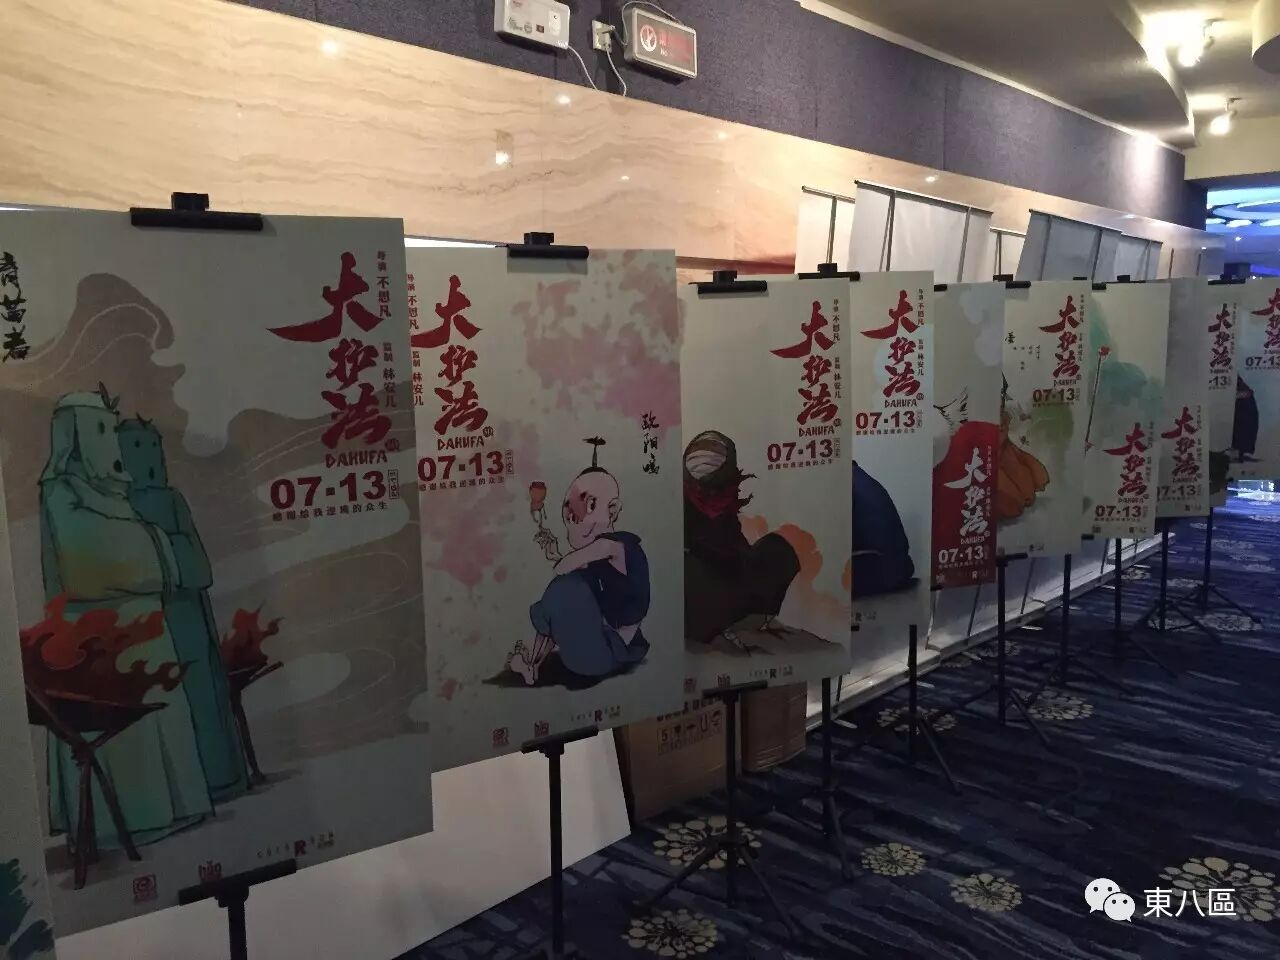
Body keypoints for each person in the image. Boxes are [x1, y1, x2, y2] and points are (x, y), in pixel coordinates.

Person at [40, 386, 212, 850]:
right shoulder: (60, 491)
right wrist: (156, 544)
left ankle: (176, 808)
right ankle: (128, 823)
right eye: (98, 428)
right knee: (123, 738)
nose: (107, 439)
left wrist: (150, 542)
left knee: (161, 718)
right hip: (99, 638)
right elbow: (84, 563)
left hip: (146, 629)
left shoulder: (114, 491)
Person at [119, 416, 249, 802]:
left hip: (188, 612)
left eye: (152, 446)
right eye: (136, 447)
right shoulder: (119, 505)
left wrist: (161, 551)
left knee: (205, 694)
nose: (148, 457)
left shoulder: (171, 499)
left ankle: (222, 778)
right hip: (151, 620)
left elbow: (198, 566)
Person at [509, 439, 651, 685]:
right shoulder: (600, 557)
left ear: (613, 510)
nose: (576, 518)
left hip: (609, 650)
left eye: (588, 505)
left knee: (566, 587)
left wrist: (561, 560)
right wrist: (555, 553)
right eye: (570, 512)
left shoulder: (616, 545)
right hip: (599, 645)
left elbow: (565, 567)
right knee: (568, 587)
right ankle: (532, 664)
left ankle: (532, 662)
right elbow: (571, 565)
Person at [682, 430, 799, 648]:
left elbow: (734, 546)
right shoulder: (686, 504)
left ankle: (753, 619)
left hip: (728, 577)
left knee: (777, 548)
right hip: (704, 587)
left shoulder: (721, 502)